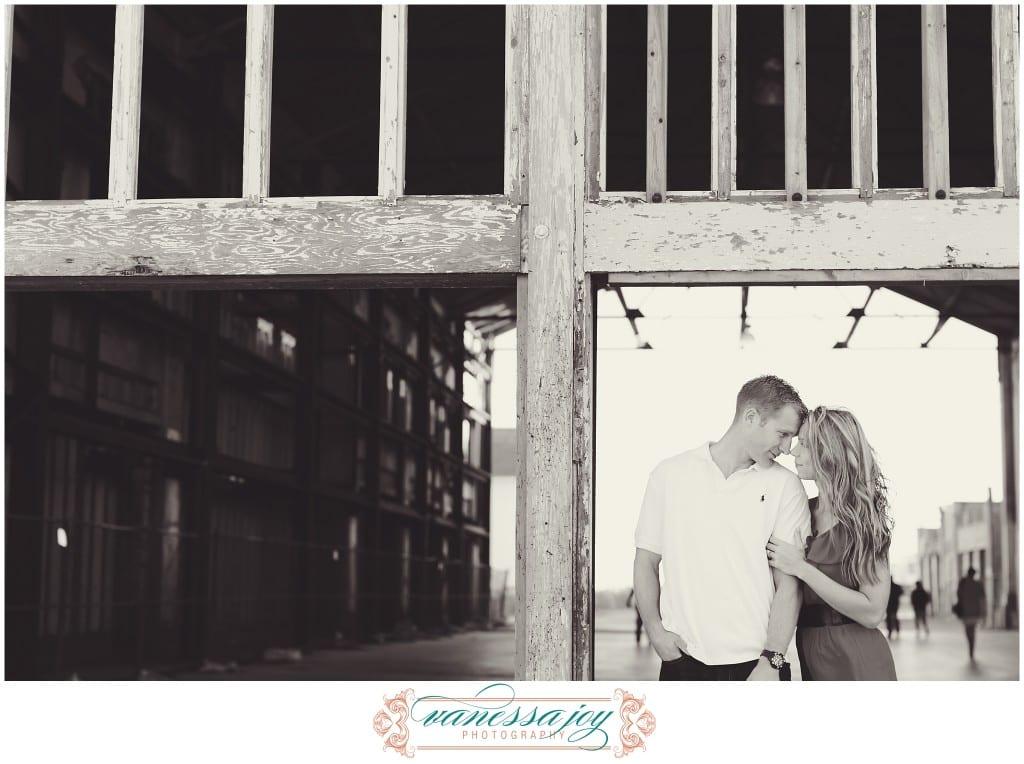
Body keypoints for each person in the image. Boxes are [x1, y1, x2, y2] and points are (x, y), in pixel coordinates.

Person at [633, 375, 810, 681]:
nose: (786, 448)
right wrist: (655, 632)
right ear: (751, 417)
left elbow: (789, 584)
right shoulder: (669, 475)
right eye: (782, 434)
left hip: (758, 665)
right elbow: (646, 561)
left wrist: (772, 660)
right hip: (683, 659)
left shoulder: (787, 486)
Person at [766, 406, 897, 680]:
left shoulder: (863, 520)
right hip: (811, 652)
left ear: (830, 450)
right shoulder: (801, 512)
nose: (793, 451)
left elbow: (873, 612)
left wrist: (802, 568)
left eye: (804, 443)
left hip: (857, 658)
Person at [955, 568, 986, 661]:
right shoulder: (978, 584)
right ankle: (971, 647)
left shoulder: (963, 583)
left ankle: (970, 646)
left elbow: (958, 595)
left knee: (968, 630)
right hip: (975, 611)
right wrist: (983, 612)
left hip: (965, 611)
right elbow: (982, 599)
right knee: (972, 630)